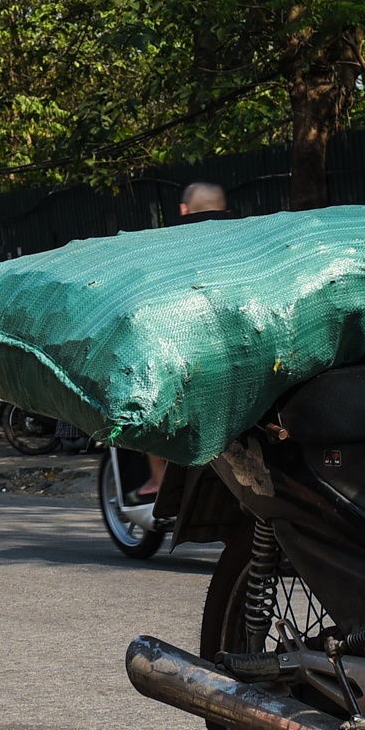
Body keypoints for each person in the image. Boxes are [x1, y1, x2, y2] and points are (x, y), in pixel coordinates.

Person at [131, 181, 238, 502]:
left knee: (144, 390)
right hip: (241, 351)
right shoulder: (243, 237)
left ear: (183, 210)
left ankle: (158, 479)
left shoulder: (169, 243)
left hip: (193, 356)